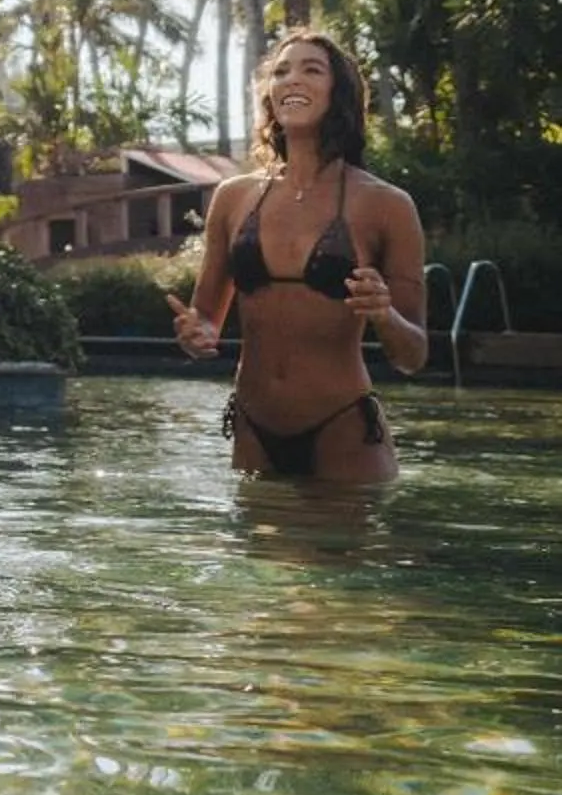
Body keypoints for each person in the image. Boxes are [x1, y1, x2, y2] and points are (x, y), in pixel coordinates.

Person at [167, 29, 427, 483]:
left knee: (337, 555)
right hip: (253, 430)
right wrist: (197, 334)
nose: (292, 80)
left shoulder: (387, 205)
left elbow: (414, 355)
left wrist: (384, 315)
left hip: (343, 429)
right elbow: (207, 317)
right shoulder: (234, 197)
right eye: (282, 71)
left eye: (312, 69)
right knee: (256, 558)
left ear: (338, 91)